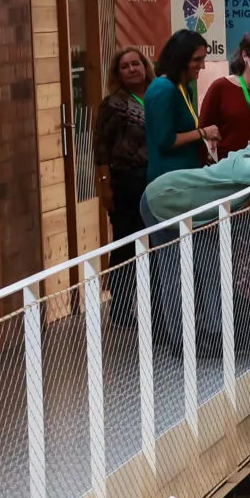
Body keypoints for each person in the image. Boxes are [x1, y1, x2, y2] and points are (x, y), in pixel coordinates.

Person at [94, 48, 151, 316]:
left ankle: (155, 303)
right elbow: (101, 148)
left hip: (155, 177)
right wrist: (104, 184)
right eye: (125, 66)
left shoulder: (156, 95)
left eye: (135, 64)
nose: (132, 69)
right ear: (118, 73)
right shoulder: (113, 104)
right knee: (126, 241)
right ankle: (120, 303)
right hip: (126, 180)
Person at [143, 31, 213, 183]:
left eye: (203, 59)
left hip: (186, 177)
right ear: (180, 59)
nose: (202, 65)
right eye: (197, 60)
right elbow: (165, 140)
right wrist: (203, 132)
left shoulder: (184, 89)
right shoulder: (162, 89)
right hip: (168, 181)